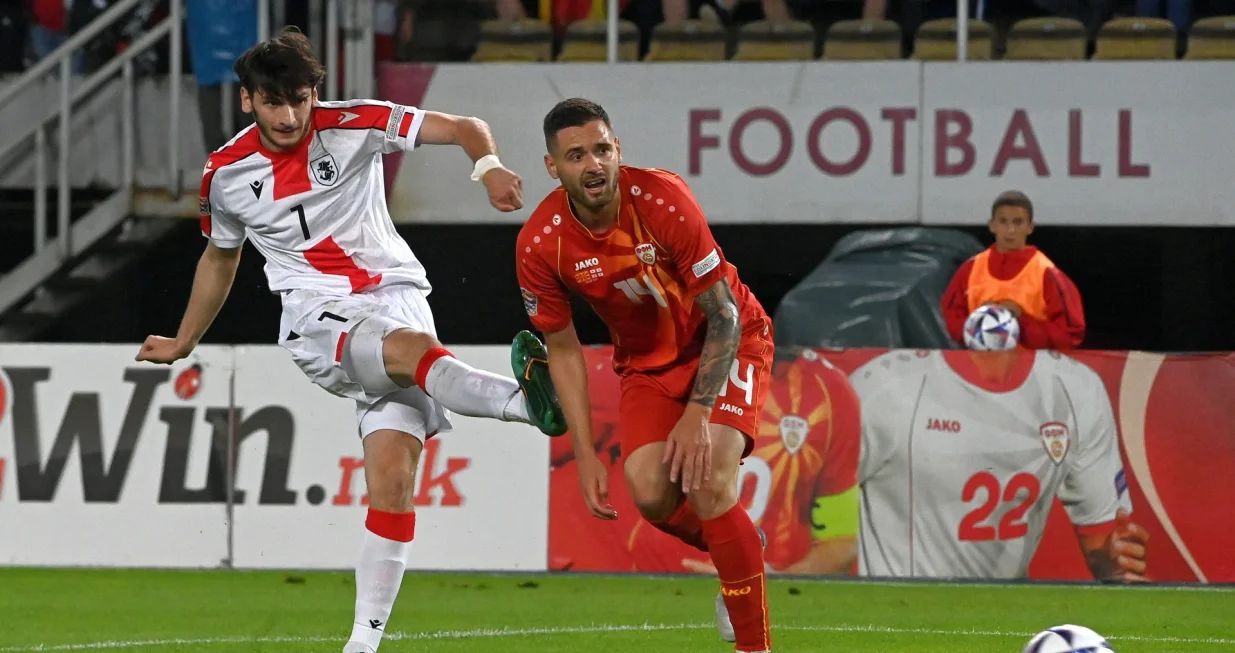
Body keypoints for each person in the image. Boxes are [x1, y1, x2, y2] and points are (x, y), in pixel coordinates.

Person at [133, 27, 566, 653]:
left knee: (392, 481)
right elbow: (220, 260)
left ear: (315, 94)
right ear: (247, 101)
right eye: (273, 102)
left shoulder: (358, 122)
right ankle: (530, 404)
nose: (289, 116)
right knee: (417, 353)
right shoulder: (225, 174)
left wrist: (489, 166)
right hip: (319, 316)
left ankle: (361, 644)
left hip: (397, 298)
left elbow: (465, 126)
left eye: (299, 100)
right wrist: (183, 340)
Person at [516, 98, 775, 653]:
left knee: (708, 483)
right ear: (552, 167)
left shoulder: (664, 201)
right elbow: (562, 349)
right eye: (576, 154)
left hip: (728, 343)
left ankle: (755, 645)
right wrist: (583, 451)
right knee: (653, 495)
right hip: (647, 366)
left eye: (602, 149)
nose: (593, 164)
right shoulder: (541, 243)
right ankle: (741, 547)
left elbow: (724, 314)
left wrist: (699, 415)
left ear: (618, 150)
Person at [848, 347, 1149, 582]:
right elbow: (813, 503)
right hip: (895, 622)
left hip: (1003, 622)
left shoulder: (1075, 388)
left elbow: (1103, 549)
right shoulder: (887, 388)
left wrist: (1116, 562)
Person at [941, 190, 1086, 350]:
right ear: (992, 225)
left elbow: (1069, 335)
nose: (1010, 230)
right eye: (1003, 221)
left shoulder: (1047, 273)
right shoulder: (970, 269)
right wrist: (982, 319)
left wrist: (1020, 320)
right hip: (979, 367)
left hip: (1034, 369)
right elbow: (950, 319)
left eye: (1018, 222)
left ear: (1030, 227)